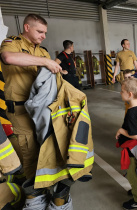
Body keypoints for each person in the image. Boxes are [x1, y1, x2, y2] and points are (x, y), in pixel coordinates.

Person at [0, 13, 69, 208]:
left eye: (45, 33)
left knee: (47, 150)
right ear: (27, 27)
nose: (43, 36)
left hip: (43, 110)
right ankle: (34, 199)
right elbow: (8, 57)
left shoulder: (43, 51)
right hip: (21, 112)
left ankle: (47, 190)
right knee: (29, 154)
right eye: (40, 31)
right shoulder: (11, 43)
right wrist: (46, 62)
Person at [115, 78, 137, 210]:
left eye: (122, 91)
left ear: (130, 94)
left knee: (133, 174)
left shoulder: (131, 112)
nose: (120, 93)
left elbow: (134, 135)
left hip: (132, 148)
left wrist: (121, 130)